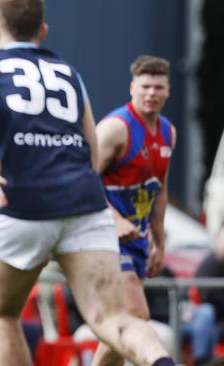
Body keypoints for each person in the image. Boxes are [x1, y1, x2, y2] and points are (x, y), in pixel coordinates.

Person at [0, 0, 175, 365]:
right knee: (114, 317)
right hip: (84, 205)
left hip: (21, 204)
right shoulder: (69, 73)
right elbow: (91, 146)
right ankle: (162, 361)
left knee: (3, 315)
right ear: (43, 32)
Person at [93, 55, 177, 364]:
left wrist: (159, 240)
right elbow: (84, 180)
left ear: (168, 91)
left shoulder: (168, 132)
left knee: (121, 328)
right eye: (145, 86)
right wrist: (115, 220)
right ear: (132, 88)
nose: (151, 93)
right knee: (136, 315)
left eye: (158, 87)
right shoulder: (116, 128)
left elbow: (161, 189)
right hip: (105, 238)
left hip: (137, 240)